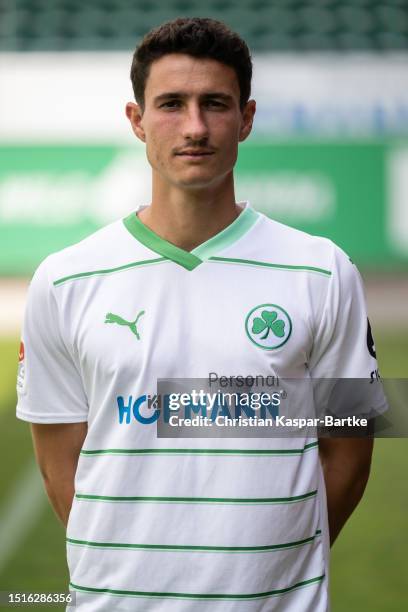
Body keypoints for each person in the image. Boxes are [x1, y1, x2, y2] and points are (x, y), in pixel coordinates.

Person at [16, 17, 385, 611]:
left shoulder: (323, 270)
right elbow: (60, 458)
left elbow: (350, 446)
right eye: (171, 104)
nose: (194, 127)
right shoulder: (65, 279)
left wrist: (275, 572)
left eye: (215, 104)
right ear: (137, 121)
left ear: (246, 118)